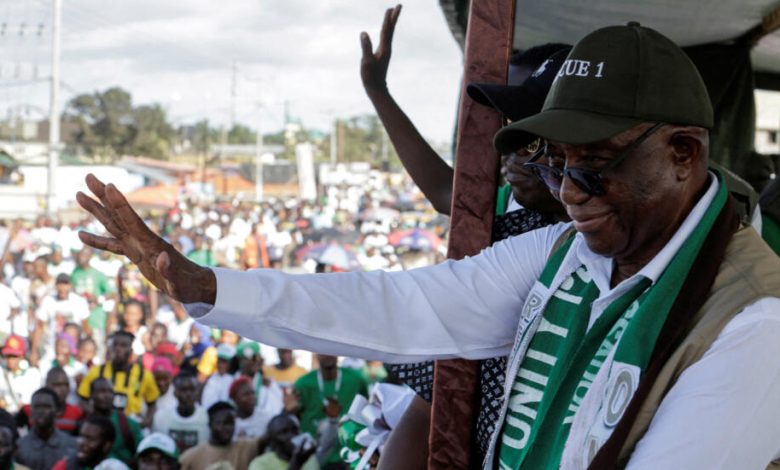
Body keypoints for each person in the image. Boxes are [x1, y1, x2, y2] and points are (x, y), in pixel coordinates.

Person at [76, 22, 780, 470]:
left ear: (684, 154)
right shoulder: (569, 252)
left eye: (593, 165)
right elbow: (403, 306)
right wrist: (207, 288)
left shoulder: (754, 323)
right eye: (555, 163)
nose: (568, 189)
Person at [292, 355, 367, 468]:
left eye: (331, 348)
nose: (327, 353)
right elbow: (294, 417)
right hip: (315, 457)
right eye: (322, 349)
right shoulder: (303, 384)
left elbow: (367, 410)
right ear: (315, 353)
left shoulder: (356, 379)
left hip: (350, 455)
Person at [78, 331, 160, 425]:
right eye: (115, 345)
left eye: (123, 345)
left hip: (131, 427)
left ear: (131, 349)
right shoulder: (96, 371)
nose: (118, 349)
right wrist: (96, 415)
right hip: (103, 425)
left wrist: (146, 421)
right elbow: (82, 399)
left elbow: (152, 404)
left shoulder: (144, 375)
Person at [178, 402, 266, 470]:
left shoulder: (245, 446)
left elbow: (269, 437)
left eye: (230, 423)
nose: (227, 428)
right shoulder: (191, 456)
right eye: (222, 423)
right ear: (210, 424)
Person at [31, 273, 90, 365]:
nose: (63, 288)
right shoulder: (48, 301)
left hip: (73, 352)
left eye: (65, 284)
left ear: (70, 286)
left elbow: (86, 328)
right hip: (51, 350)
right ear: (56, 286)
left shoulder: (79, 301)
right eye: (60, 284)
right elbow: (39, 327)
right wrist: (34, 351)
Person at [15, 388, 76, 470]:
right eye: (36, 406)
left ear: (57, 410)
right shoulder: (19, 447)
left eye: (46, 406)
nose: (41, 411)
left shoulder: (71, 445)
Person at [88, 377, 144, 466]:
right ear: (91, 394)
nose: (107, 396)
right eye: (102, 391)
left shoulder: (128, 424)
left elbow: (142, 453)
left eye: (110, 392)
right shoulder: (84, 422)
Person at [151, 371, 209, 453]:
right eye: (184, 390)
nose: (188, 394)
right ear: (175, 393)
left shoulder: (207, 418)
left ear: (197, 392)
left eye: (192, 389)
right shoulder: (161, 418)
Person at [20, 367, 84, 434]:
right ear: (46, 385)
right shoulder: (28, 410)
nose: (63, 389)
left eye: (66, 385)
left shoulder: (77, 413)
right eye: (57, 385)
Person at [52, 415, 128, 470]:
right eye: (81, 436)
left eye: (90, 439)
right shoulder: (66, 466)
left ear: (106, 446)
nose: (82, 443)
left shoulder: (116, 467)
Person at [248, 413, 318, 470]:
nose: (292, 435)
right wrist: (296, 465)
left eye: (294, 430)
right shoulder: (260, 464)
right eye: (284, 432)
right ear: (272, 442)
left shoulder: (310, 459)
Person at [0, 335, 41, 413]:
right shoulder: (1, 373)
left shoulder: (33, 374)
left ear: (22, 356)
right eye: (8, 356)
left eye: (14, 356)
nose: (10, 359)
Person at [200, 343, 236, 410]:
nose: (220, 365)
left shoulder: (232, 380)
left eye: (224, 362)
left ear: (230, 363)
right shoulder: (210, 377)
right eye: (219, 361)